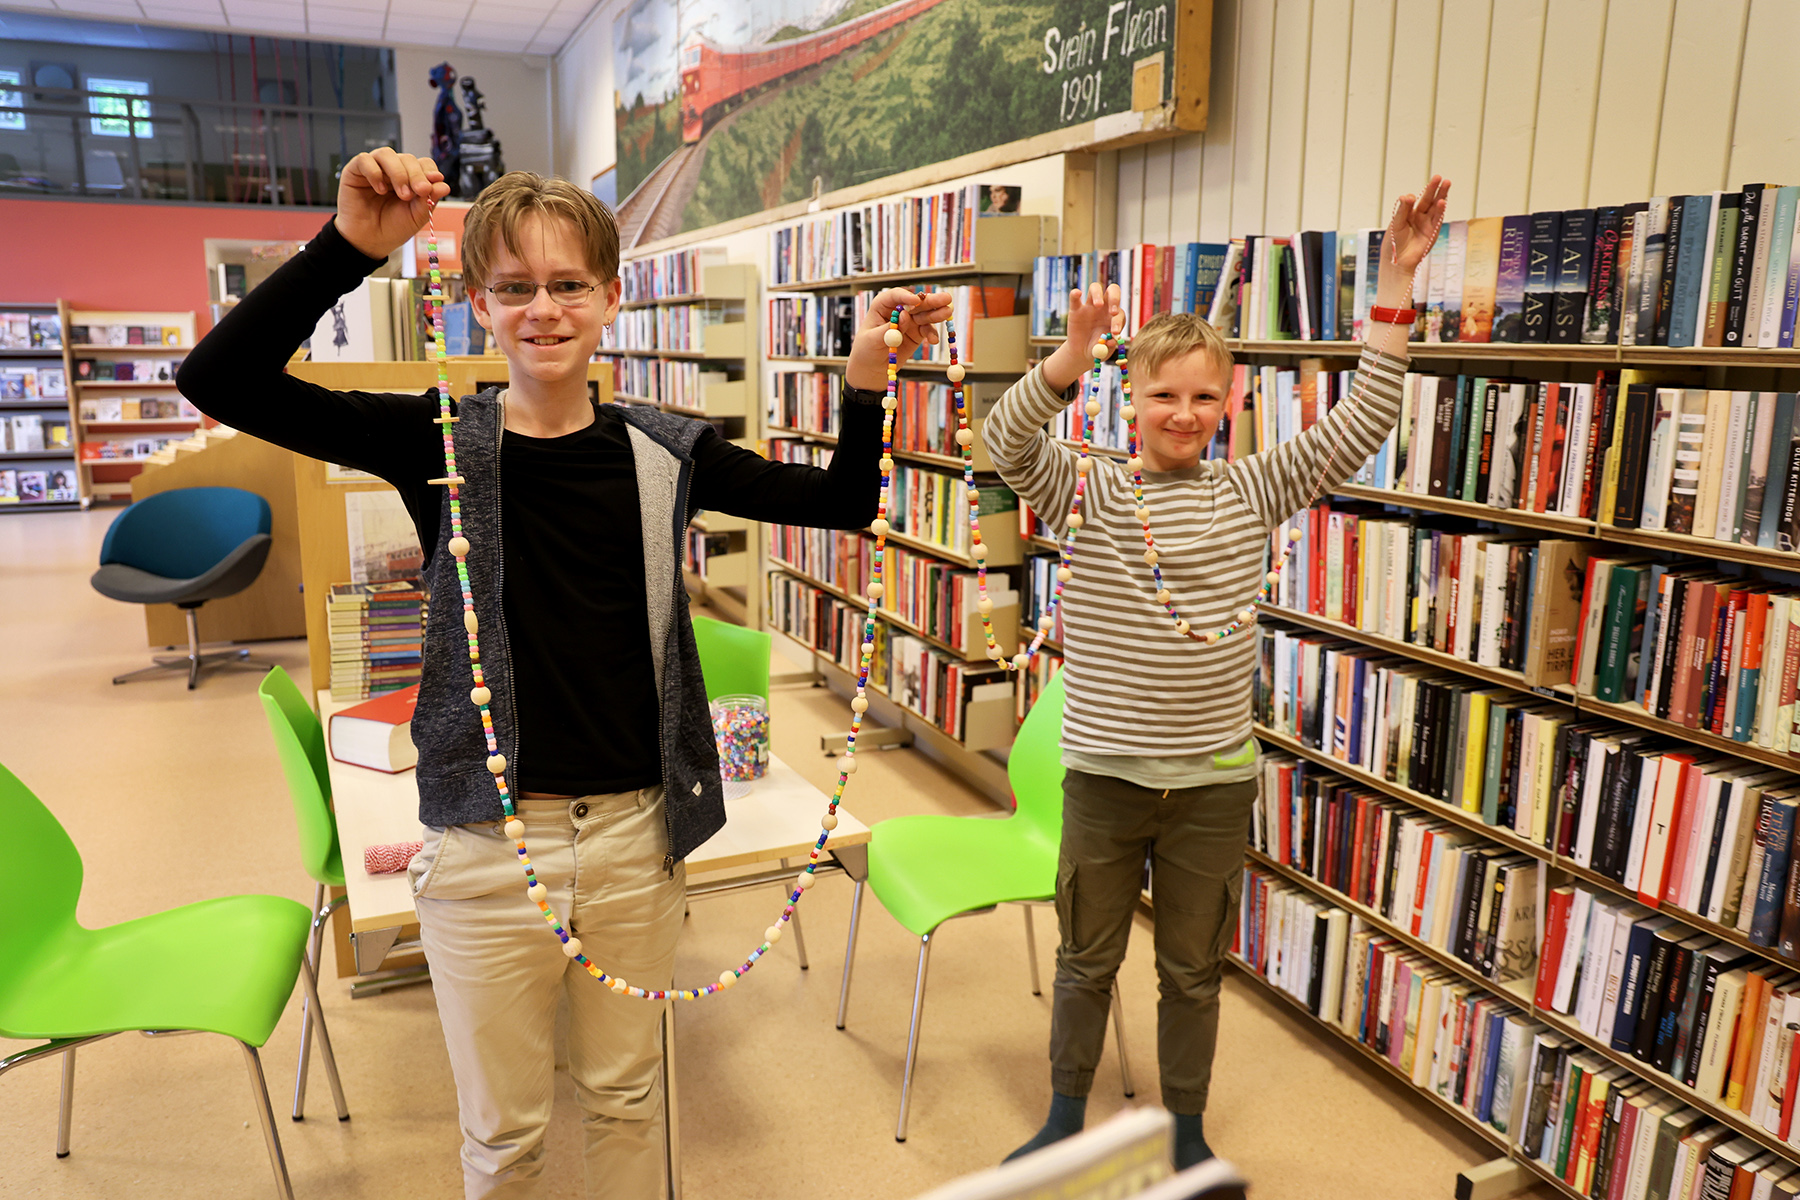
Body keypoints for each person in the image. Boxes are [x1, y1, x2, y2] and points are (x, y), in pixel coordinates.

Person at [178, 147, 953, 1198]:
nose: (544, 309)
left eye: (569, 284)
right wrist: (349, 251)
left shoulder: (667, 451)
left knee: (631, 1102)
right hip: (490, 850)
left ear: (612, 298)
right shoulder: (440, 441)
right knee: (504, 1140)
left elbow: (844, 504)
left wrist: (864, 382)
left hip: (638, 837)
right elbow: (216, 378)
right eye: (515, 288)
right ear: (478, 306)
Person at [985, 177, 1451, 1169]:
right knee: (1085, 962)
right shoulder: (1093, 490)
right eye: (1163, 395)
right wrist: (1072, 355)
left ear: (1230, 400)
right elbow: (1003, 440)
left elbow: (1362, 420)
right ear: (1132, 398)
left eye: (1204, 396)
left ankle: (1188, 1134)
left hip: (1210, 786)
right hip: (1106, 781)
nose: (1183, 413)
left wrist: (1399, 281)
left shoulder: (1251, 490)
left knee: (1193, 973)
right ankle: (1066, 1117)